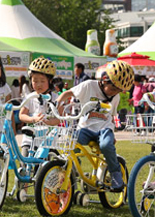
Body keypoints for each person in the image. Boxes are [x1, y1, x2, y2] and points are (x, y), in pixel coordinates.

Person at [56, 59, 134, 192]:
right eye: (113, 88)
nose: (114, 92)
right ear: (104, 79)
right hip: (86, 127)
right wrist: (57, 102)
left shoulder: (116, 97)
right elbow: (68, 93)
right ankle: (73, 169)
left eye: (119, 90)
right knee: (70, 140)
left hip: (104, 129)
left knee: (106, 145)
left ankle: (116, 174)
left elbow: (111, 115)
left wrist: (112, 134)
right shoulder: (88, 86)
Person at [18, 57, 59, 155]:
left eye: (42, 81)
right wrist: (33, 119)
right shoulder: (30, 97)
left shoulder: (55, 98)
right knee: (24, 161)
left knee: (47, 166)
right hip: (29, 140)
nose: (38, 84)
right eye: (35, 81)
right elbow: (21, 115)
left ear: (50, 81)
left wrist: (49, 122)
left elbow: (60, 117)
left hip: (48, 142)